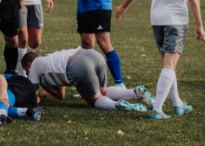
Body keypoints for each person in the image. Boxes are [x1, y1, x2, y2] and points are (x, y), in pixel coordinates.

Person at [21, 48, 152, 113]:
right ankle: (134, 92)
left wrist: (36, 97)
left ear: (28, 64)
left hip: (77, 64)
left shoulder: (34, 66)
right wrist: (45, 89)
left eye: (26, 69)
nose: (27, 73)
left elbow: (31, 97)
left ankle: (116, 105)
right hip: (93, 54)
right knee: (103, 91)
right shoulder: (49, 59)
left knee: (95, 99)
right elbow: (61, 95)